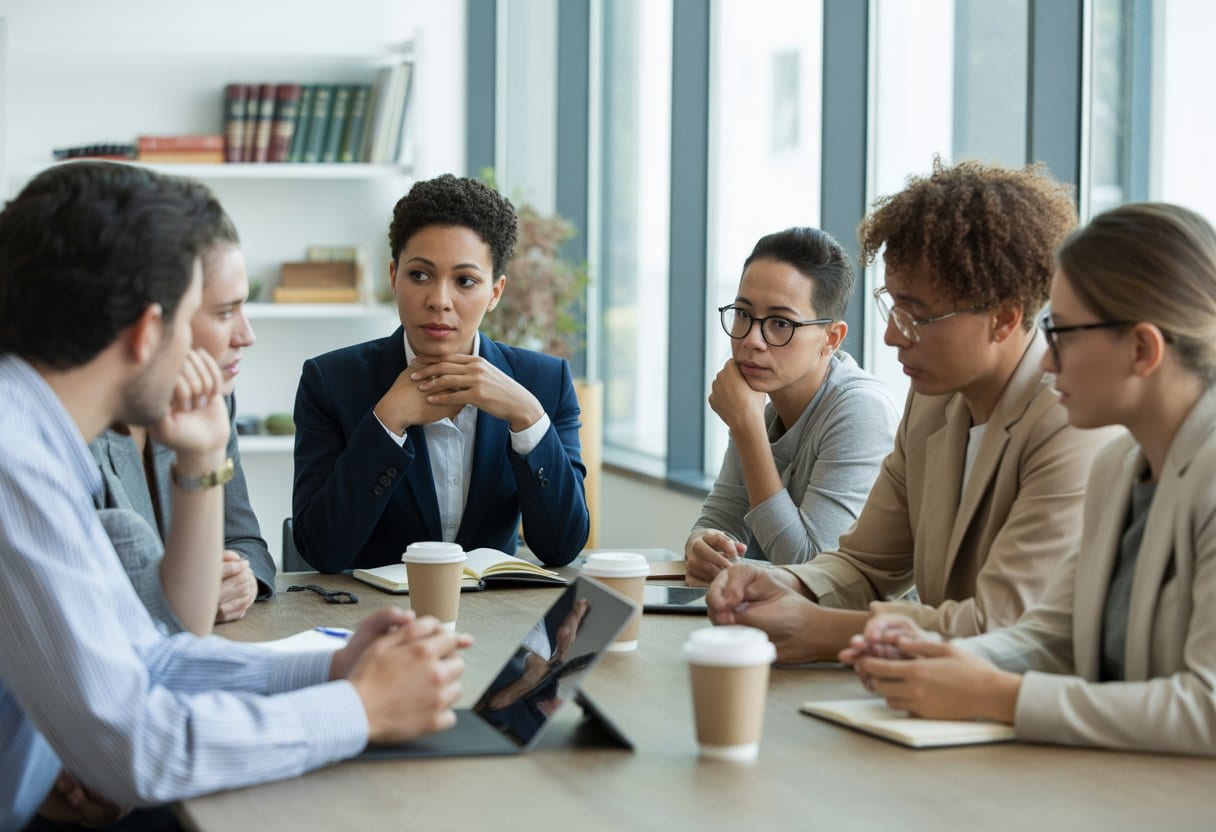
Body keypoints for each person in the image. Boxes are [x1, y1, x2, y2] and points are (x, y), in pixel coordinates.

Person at [0, 162, 469, 831]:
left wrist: (335, 667)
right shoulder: (15, 461)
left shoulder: (34, 438)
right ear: (147, 332)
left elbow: (149, 655)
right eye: (213, 313)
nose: (240, 336)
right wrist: (361, 709)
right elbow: (141, 748)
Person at [707, 159, 1117, 662]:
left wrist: (821, 628)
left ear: (1003, 319)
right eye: (893, 306)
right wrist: (788, 585)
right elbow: (863, 565)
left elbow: (1001, 624)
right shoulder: (932, 402)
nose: (891, 335)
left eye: (917, 316)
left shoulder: (1069, 420)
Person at [845, 203, 1216, 755]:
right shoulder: (1118, 467)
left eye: (1061, 334)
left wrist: (1001, 696)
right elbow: (1051, 636)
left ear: (1142, 349)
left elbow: (1207, 708)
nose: (1046, 361)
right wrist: (934, 658)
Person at [292, 174, 589, 572]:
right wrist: (387, 422)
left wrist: (528, 418)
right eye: (419, 275)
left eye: (465, 281)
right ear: (393, 277)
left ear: (495, 293)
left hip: (494, 609)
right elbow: (320, 551)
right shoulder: (330, 383)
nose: (439, 301)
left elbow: (562, 547)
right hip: (373, 608)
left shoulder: (544, 384)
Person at [89, 211, 272, 636]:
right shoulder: (77, 427)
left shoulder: (210, 400)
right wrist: (190, 590)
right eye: (225, 312)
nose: (246, 335)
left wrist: (239, 579)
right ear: (153, 322)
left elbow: (245, 540)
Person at [685, 227, 898, 580]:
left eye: (781, 323)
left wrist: (747, 428)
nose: (752, 340)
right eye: (743, 314)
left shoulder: (862, 410)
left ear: (831, 338)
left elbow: (811, 569)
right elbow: (720, 520)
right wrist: (700, 545)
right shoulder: (763, 408)